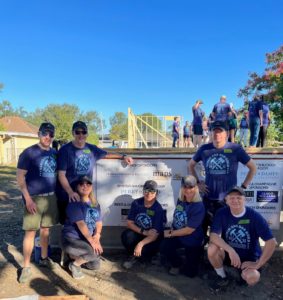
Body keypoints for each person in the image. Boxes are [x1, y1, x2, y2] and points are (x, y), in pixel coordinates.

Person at [188, 120, 257, 239]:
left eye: (220, 131)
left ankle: (226, 256)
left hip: (227, 201)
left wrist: (243, 187)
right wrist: (198, 183)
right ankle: (203, 255)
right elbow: (191, 165)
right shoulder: (204, 149)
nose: (217, 134)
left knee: (227, 234)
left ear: (226, 134)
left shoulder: (235, 149)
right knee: (202, 233)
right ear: (210, 133)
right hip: (208, 199)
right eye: (214, 131)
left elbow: (253, 168)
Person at [57, 121, 133, 223]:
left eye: (83, 132)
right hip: (68, 194)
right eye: (77, 132)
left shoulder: (91, 148)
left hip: (85, 193)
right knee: (67, 224)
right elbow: (61, 175)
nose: (81, 135)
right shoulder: (65, 150)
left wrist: (123, 156)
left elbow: (106, 154)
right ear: (73, 133)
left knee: (85, 221)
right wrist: (70, 192)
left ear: (87, 134)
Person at [208, 186, 277, 292]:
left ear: (245, 200)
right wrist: (230, 250)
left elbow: (271, 242)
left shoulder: (254, 216)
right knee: (212, 248)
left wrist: (258, 264)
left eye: (239, 197)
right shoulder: (221, 213)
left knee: (252, 277)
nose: (235, 200)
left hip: (249, 259)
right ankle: (222, 276)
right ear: (226, 200)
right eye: (231, 198)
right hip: (230, 257)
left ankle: (244, 287)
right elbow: (213, 236)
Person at [17, 122, 58, 283]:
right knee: (30, 232)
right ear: (39, 134)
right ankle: (26, 267)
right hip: (33, 197)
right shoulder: (29, 153)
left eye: (50, 134)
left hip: (51, 197)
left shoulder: (54, 152)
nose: (47, 137)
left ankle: (43, 258)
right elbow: (20, 178)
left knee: (46, 230)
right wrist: (27, 199)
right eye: (44, 133)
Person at [160, 175, 205, 277]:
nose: (188, 190)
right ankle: (177, 263)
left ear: (196, 188)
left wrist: (170, 233)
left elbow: (189, 230)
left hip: (192, 239)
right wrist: (172, 230)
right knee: (164, 246)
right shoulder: (180, 200)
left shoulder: (199, 206)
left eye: (191, 187)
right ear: (181, 188)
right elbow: (177, 218)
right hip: (178, 235)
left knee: (190, 274)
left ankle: (193, 260)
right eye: (185, 187)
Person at [62, 176, 103, 279]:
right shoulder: (74, 203)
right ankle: (74, 265)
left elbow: (99, 222)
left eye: (88, 183)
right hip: (71, 240)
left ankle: (74, 258)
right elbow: (81, 224)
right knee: (93, 252)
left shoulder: (95, 204)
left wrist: (97, 235)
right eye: (81, 184)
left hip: (86, 240)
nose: (85, 186)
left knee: (95, 265)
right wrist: (92, 242)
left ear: (91, 186)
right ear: (77, 187)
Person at [121, 180, 164, 269]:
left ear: (156, 193)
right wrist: (144, 232)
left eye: (152, 191)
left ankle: (146, 256)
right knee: (127, 235)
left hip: (151, 238)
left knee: (145, 252)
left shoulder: (158, 208)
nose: (149, 193)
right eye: (146, 190)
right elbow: (129, 223)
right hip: (141, 233)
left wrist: (140, 244)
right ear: (143, 191)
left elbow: (155, 235)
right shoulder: (136, 203)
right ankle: (133, 256)